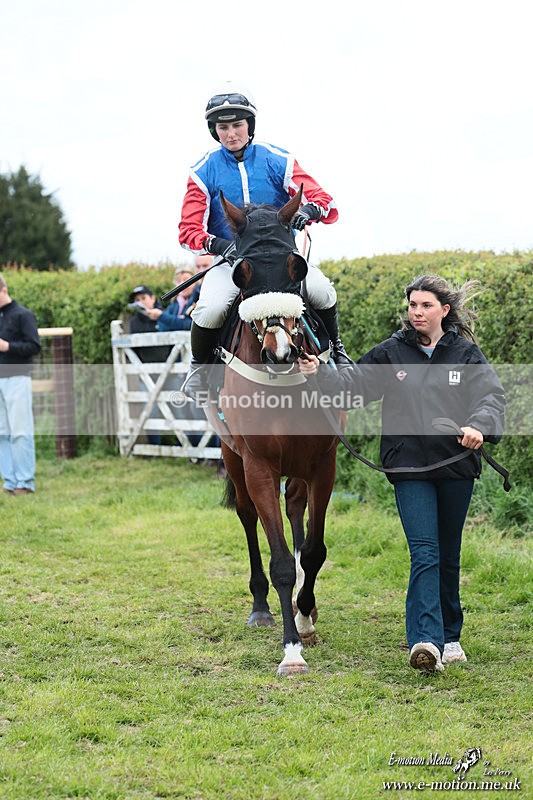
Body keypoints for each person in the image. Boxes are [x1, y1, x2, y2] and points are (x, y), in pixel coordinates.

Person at [299, 274, 506, 673]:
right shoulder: (392, 352)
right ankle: (425, 641)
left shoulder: (465, 354)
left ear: (444, 310)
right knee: (425, 551)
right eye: (413, 305)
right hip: (408, 465)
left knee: (448, 554)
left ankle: (451, 636)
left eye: (426, 305)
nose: (417, 312)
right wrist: (319, 372)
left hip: (455, 466)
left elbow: (491, 397)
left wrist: (480, 425)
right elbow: (354, 387)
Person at [178, 81, 352, 397]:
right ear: (215, 131)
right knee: (211, 308)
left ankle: (338, 351)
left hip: (282, 262)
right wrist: (219, 245)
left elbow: (324, 199)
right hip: (235, 262)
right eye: (223, 128)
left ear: (250, 126)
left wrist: (308, 209)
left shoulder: (277, 159)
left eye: (237, 125)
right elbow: (188, 230)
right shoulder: (202, 172)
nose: (231, 134)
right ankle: (199, 370)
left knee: (322, 290)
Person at [0, 274, 41, 495]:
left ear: (4, 290)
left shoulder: (23, 315)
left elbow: (34, 346)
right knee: (1, 432)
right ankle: (9, 481)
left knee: (20, 431)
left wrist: (8, 347)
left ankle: (25, 482)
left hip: (17, 378)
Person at [128, 285, 171, 445]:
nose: (141, 302)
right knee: (150, 411)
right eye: (137, 300)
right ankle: (155, 448)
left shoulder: (165, 315)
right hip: (147, 373)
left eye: (144, 298)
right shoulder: (134, 322)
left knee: (179, 408)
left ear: (153, 298)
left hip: (171, 371)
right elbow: (133, 349)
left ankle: (188, 447)